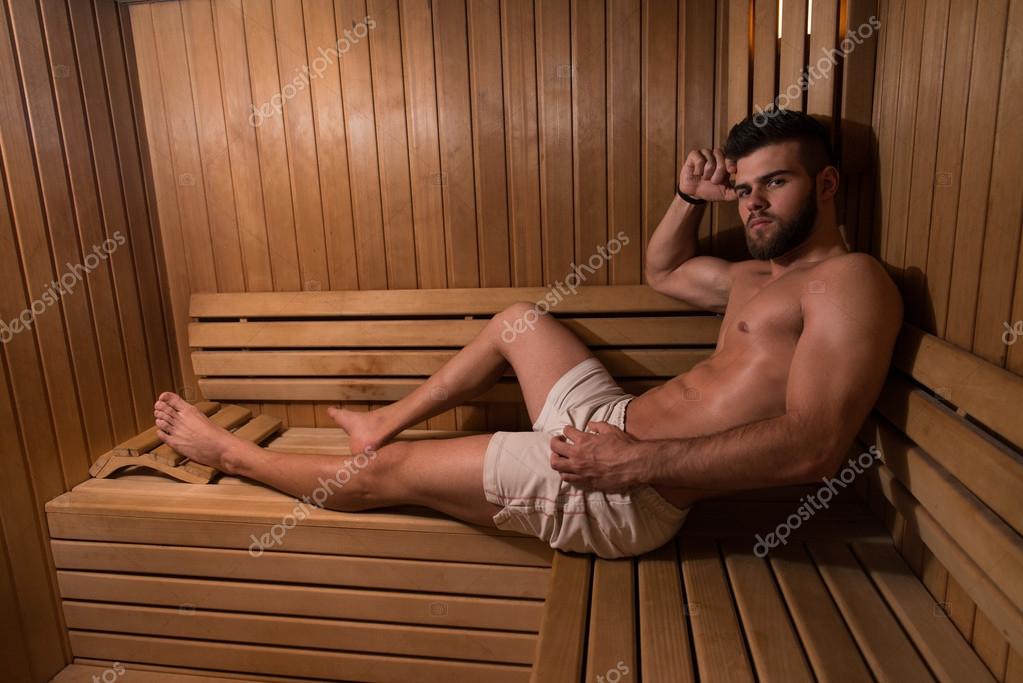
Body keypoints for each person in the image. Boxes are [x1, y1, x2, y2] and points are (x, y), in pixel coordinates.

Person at [153, 109, 902, 559]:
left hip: (627, 494)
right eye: (743, 189)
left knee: (391, 475)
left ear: (826, 184)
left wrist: (635, 464)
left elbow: (814, 445)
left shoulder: (849, 281)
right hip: (609, 434)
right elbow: (663, 269)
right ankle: (381, 417)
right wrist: (687, 198)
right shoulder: (752, 276)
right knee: (518, 319)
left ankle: (229, 453)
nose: (752, 205)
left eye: (774, 182)